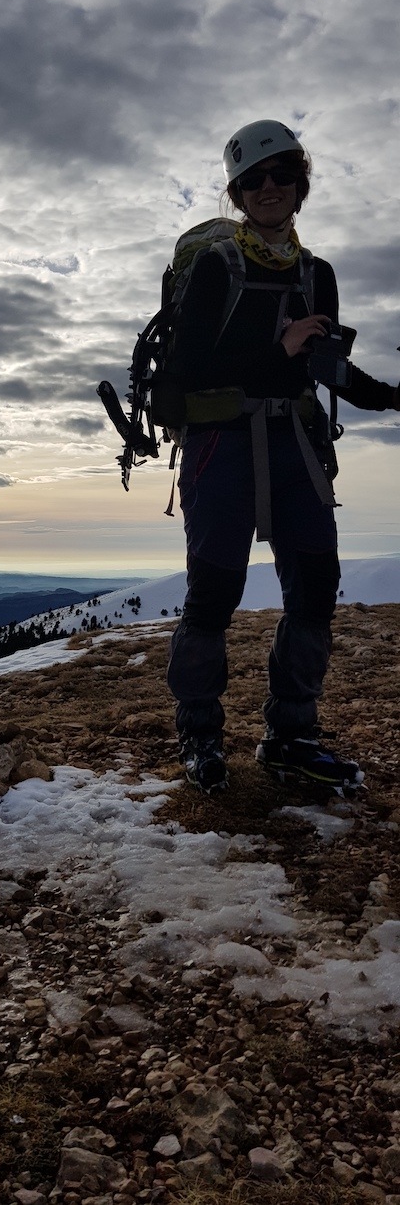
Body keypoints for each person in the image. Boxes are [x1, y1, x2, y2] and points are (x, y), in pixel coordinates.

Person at [166, 118, 400, 797]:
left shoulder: (316, 275)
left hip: (293, 441)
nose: (268, 189)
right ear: (236, 194)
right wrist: (280, 351)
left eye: (281, 175)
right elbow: (192, 365)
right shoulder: (214, 267)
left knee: (316, 587)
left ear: (301, 184)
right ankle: (201, 736)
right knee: (213, 592)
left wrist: (387, 398)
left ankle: (291, 735)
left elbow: (326, 366)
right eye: (252, 181)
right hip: (221, 441)